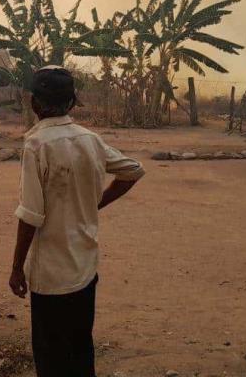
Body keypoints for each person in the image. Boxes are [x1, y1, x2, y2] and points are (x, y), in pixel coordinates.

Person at [8, 66, 145, 377]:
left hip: (51, 276)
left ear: (34, 103)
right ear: (72, 103)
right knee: (80, 350)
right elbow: (133, 170)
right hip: (85, 268)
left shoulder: (36, 144)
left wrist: (17, 267)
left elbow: (30, 214)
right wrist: (99, 202)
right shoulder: (91, 140)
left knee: (50, 356)